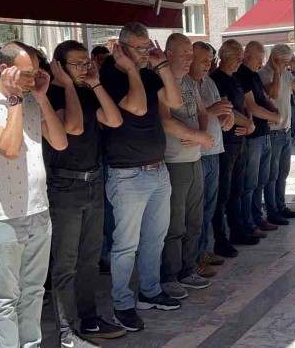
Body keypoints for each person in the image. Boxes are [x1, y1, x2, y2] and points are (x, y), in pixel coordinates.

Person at [0, 41, 68, 348]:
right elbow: (9, 149)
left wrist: (42, 98)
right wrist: (14, 101)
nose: (32, 80)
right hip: (2, 215)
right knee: (5, 297)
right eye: (26, 74)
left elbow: (60, 142)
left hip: (38, 210)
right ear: (4, 69)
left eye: (36, 73)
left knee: (34, 291)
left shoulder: (32, 98)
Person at [99, 22, 183, 332]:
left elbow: (175, 102)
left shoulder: (148, 72)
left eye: (148, 46)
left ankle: (150, 291)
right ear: (121, 48)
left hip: (157, 169)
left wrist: (161, 66)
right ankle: (122, 304)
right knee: (125, 245)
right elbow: (135, 106)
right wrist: (131, 68)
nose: (145, 52)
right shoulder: (110, 75)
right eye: (139, 48)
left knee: (155, 238)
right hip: (127, 174)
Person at [45, 40, 125, 347]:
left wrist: (96, 83)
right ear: (58, 66)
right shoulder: (51, 94)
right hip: (64, 185)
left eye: (86, 62)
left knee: (90, 259)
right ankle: (66, 331)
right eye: (77, 64)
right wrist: (67, 85)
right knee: (65, 263)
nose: (84, 68)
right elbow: (74, 127)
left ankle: (90, 319)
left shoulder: (87, 91)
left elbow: (115, 120)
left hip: (93, 180)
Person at [159, 34, 213, 302]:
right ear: (169, 54)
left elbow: (202, 111)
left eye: (191, 54)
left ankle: (188, 270)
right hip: (173, 163)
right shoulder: (161, 81)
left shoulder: (190, 82)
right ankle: (169, 276)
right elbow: (165, 121)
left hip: (193, 160)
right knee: (174, 224)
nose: (190, 59)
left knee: (194, 220)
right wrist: (199, 136)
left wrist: (200, 134)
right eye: (185, 54)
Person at [210, 40, 257, 256]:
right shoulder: (217, 79)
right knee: (223, 193)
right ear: (224, 56)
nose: (240, 60)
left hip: (240, 141)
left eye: (241, 56)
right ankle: (221, 239)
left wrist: (250, 122)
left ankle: (238, 231)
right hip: (226, 143)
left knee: (237, 189)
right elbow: (227, 109)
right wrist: (248, 124)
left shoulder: (235, 78)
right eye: (237, 57)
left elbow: (244, 105)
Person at [189, 42, 232, 271]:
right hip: (196, 154)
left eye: (210, 60)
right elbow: (185, 119)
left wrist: (228, 117)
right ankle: (193, 258)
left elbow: (221, 109)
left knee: (209, 206)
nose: (208, 65)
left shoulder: (209, 82)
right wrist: (211, 111)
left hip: (214, 151)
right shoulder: (184, 84)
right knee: (196, 209)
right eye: (204, 60)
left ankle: (203, 250)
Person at [258, 44, 295, 225]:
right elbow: (274, 93)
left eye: (288, 62)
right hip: (272, 133)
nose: (287, 65)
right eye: (284, 62)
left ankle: (281, 206)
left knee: (283, 173)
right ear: (274, 59)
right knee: (271, 175)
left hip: (285, 131)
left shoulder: (286, 73)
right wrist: (276, 71)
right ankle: (272, 210)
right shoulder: (264, 74)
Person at [238, 41, 281, 241]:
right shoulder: (242, 75)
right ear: (247, 56)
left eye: (263, 57)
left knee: (261, 181)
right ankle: (248, 223)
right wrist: (274, 116)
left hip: (264, 134)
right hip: (252, 138)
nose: (261, 62)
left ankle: (257, 218)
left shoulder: (254, 75)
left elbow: (265, 99)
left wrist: (274, 111)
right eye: (259, 57)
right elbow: (252, 107)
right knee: (250, 184)